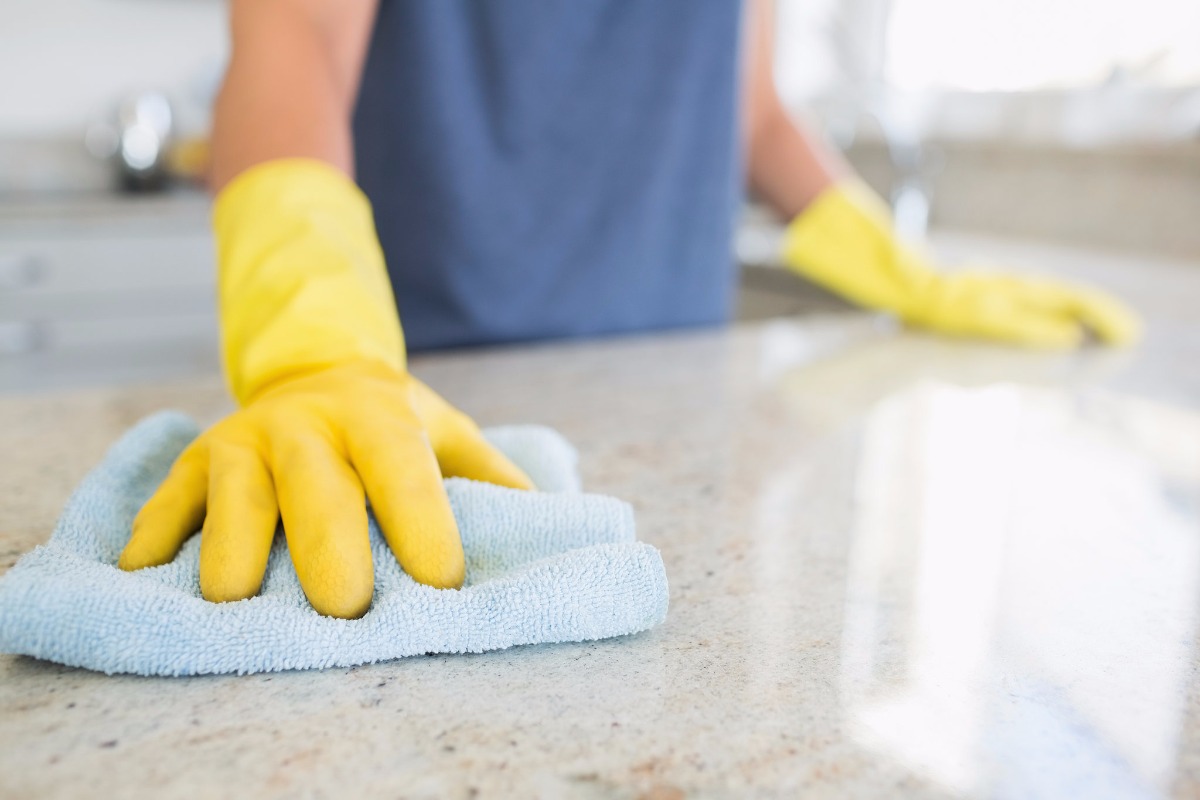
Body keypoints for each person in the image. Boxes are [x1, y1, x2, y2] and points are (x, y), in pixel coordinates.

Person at [118, 0, 1139, 618]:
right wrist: (315, 343)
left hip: (683, 385)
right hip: (429, 398)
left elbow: (754, 110)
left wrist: (906, 273)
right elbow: (294, 40)